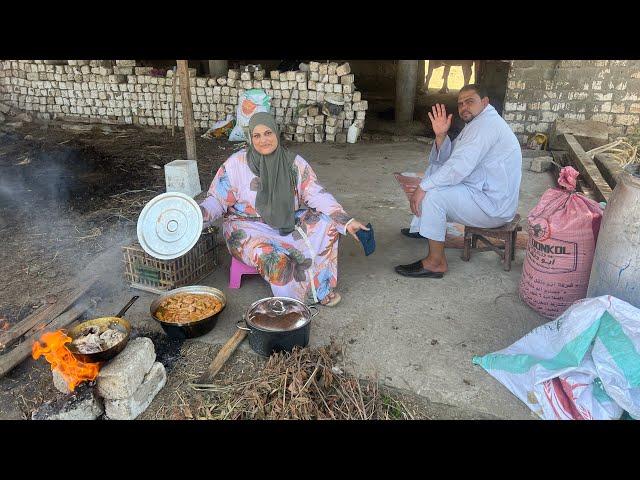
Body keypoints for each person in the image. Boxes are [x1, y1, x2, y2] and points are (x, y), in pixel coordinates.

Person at [199, 112, 369, 306]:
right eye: (257, 135)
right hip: (246, 225)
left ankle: (319, 288)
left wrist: (345, 220)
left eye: (268, 133)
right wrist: (198, 215)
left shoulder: (293, 163)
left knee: (328, 224)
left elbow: (316, 194)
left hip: (286, 220)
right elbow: (217, 200)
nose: (264, 140)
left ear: (276, 134)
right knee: (273, 257)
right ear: (250, 138)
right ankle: (293, 303)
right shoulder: (236, 164)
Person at [396, 84, 522, 278]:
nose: (464, 107)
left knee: (434, 195)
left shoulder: (486, 126)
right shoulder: (478, 123)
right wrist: (441, 135)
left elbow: (458, 167)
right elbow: (448, 160)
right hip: (482, 193)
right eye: (461, 103)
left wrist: (422, 187)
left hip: (492, 206)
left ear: (485, 102)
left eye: (470, 101)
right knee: (434, 172)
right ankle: (423, 228)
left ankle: (435, 263)